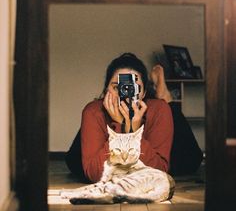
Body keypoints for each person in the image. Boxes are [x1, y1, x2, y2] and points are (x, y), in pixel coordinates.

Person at [65, 53, 203, 182]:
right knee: (75, 162)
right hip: (103, 129)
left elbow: (158, 173)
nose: (124, 93)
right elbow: (95, 173)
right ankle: (163, 96)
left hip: (151, 140)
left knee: (189, 160)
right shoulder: (94, 110)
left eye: (133, 88)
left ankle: (165, 97)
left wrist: (133, 131)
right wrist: (121, 128)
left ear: (143, 94)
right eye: (117, 87)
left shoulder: (158, 109)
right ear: (106, 89)